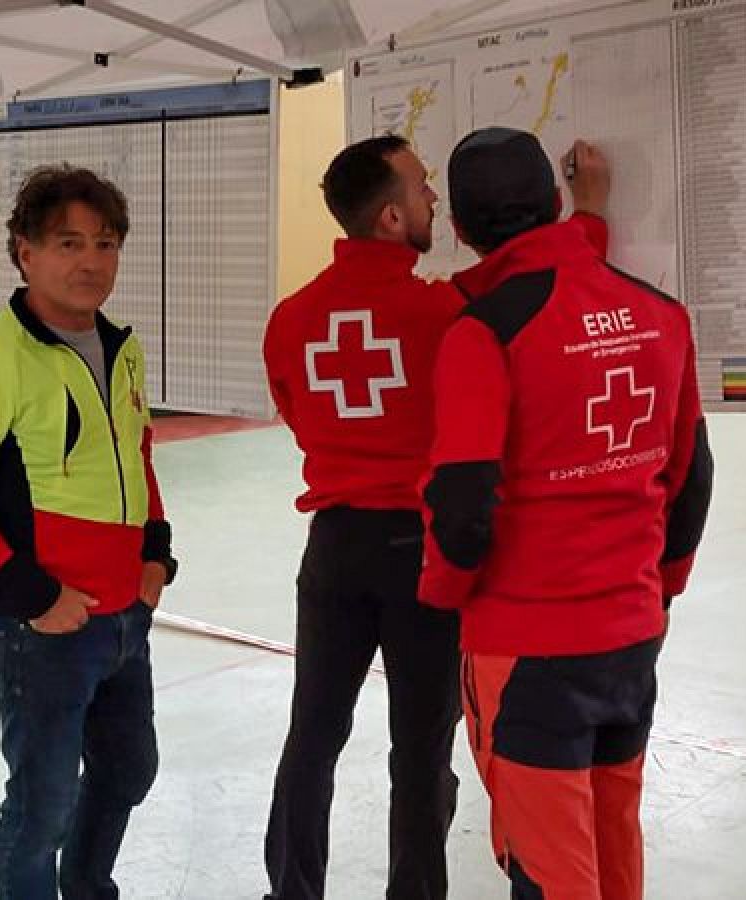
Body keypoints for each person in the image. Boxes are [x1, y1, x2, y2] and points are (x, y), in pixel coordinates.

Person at [259, 132, 611, 900]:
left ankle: (291, 889)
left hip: (333, 548)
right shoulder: (447, 310)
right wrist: (588, 212)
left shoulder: (289, 320)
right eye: (421, 188)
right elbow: (543, 279)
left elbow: (294, 410)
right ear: (391, 217)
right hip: (419, 554)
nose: (432, 200)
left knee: (313, 733)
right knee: (419, 748)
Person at [419, 126, 713, 900]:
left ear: (458, 231)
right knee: (615, 850)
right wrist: (663, 586)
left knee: (552, 875)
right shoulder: (662, 314)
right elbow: (693, 475)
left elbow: (462, 506)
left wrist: (445, 598)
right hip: (629, 639)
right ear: (554, 203)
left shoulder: (483, 334)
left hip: (526, 647)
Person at [0, 164, 177, 900]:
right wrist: (31, 597)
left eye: (106, 242)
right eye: (68, 243)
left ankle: (89, 889)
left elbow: (138, 456)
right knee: (41, 808)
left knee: (130, 770)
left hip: (126, 618)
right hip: (42, 631)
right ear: (25, 252)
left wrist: (155, 556)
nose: (91, 261)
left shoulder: (122, 348)